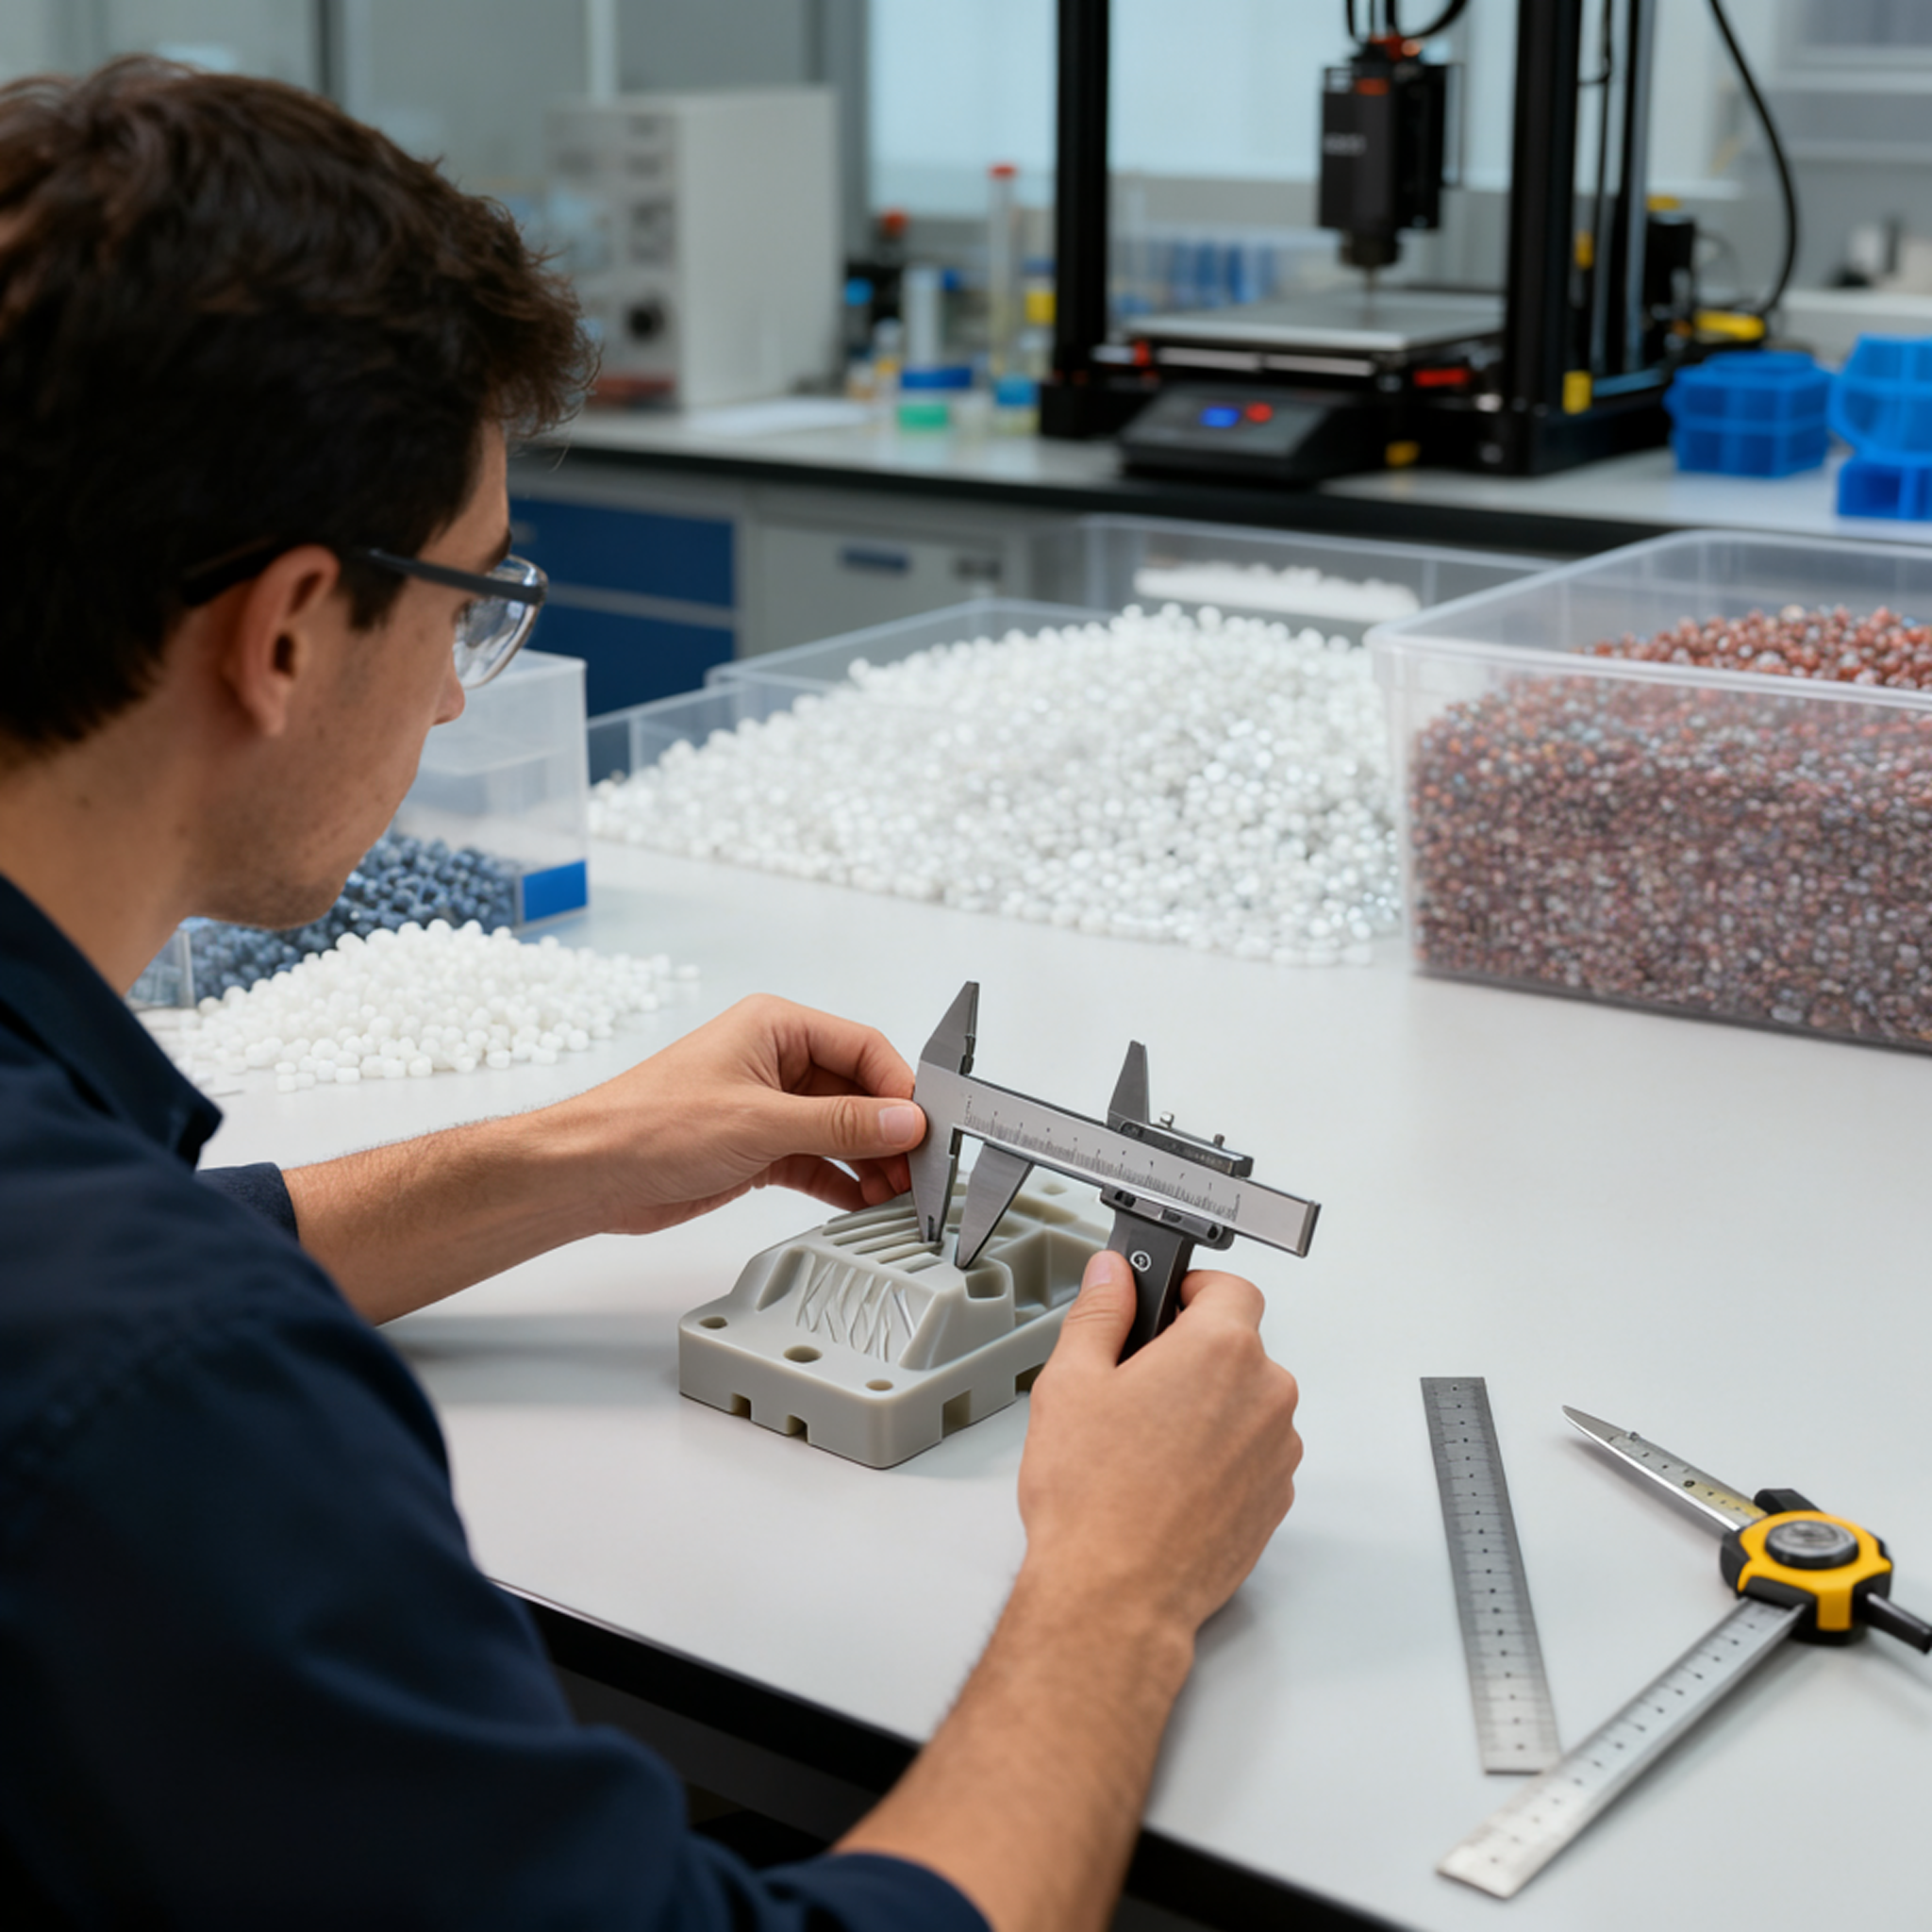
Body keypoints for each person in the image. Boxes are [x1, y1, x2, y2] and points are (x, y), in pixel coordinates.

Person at [0, 58, 1303, 1932]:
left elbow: (88, 1261)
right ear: (285, 633)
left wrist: (573, 1155)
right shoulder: (178, 1406)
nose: (457, 691)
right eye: (468, 601)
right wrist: (1120, 1587)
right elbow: (135, 1350)